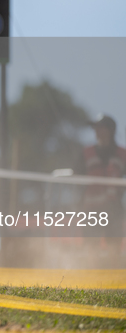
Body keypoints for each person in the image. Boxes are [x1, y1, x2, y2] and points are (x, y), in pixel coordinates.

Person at [76, 114, 126, 267]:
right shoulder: (86, 153)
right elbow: (76, 179)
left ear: (110, 130)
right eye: (95, 128)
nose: (96, 131)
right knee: (91, 246)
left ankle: (114, 281)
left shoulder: (122, 154)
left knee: (114, 246)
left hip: (114, 208)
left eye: (100, 127)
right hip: (91, 208)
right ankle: (91, 279)